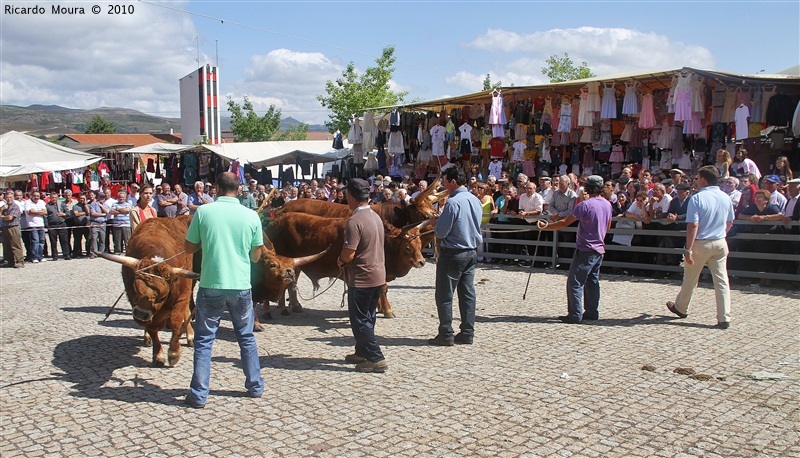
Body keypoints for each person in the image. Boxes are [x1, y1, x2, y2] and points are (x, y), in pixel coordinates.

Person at [184, 172, 265, 408]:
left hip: (211, 283)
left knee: (204, 340)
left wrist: (205, 241)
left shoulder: (204, 212)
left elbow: (188, 248)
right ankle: (254, 385)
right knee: (246, 337)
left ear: (216, 188)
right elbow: (256, 255)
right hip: (240, 285)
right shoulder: (250, 215)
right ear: (239, 189)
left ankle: (199, 394)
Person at [666, 165, 735, 329]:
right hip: (720, 241)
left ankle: (681, 307)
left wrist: (688, 248)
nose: (695, 181)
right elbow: (730, 222)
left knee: (690, 278)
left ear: (703, 179)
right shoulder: (725, 197)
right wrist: (720, 233)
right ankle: (724, 316)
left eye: (697, 178)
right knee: (722, 281)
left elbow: (693, 225)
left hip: (701, 242)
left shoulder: (697, 198)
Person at [539, 175, 612, 324]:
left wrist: (546, 226)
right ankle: (592, 312)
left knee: (575, 282)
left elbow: (565, 222)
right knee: (592, 281)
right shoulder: (607, 204)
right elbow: (608, 226)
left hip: (585, 248)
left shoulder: (584, 205)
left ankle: (575, 314)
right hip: (599, 248)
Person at [337, 178, 388, 373]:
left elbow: (349, 253)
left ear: (350, 196)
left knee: (359, 320)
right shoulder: (375, 217)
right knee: (369, 316)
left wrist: (341, 260)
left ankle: (376, 357)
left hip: (362, 278)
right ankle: (362, 351)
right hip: (378, 275)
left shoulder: (354, 221)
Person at [428, 166, 483, 346]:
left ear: (452, 182)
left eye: (445, 182)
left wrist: (435, 223)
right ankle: (468, 332)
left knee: (444, 294)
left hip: (453, 252)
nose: (444, 186)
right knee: (467, 293)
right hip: (471, 251)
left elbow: (442, 232)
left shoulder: (453, 202)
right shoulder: (475, 200)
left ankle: (446, 333)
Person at [2, 191, 25, 268]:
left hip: (13, 227)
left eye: (10, 197)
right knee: (6, 246)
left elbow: (10, 217)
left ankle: (20, 261)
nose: (9, 199)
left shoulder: (15, 206)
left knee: (15, 245)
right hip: (5, 228)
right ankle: (10, 261)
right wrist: (1, 210)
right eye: (7, 197)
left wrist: (2, 217)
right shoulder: (4, 207)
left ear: (13, 198)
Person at [45, 191, 71, 260]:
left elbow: (68, 213)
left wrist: (63, 214)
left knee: (64, 241)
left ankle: (66, 254)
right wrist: (47, 226)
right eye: (52, 197)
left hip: (62, 224)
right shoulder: (47, 206)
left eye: (55, 197)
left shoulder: (62, 204)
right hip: (52, 225)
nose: (54, 199)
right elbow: (46, 216)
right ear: (50, 198)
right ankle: (55, 256)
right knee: (53, 242)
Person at [24, 190, 47, 263]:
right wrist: (39, 212)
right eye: (35, 196)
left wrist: (35, 212)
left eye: (38, 196)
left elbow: (45, 212)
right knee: (35, 241)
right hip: (32, 224)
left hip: (41, 224)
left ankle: (40, 255)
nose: (36, 197)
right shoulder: (27, 202)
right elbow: (29, 212)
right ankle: (34, 256)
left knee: (42, 241)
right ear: (31, 196)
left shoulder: (41, 202)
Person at [110, 189, 132, 254]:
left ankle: (129, 252)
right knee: (117, 240)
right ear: (118, 197)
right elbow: (112, 212)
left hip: (126, 225)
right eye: (120, 197)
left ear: (125, 198)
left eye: (123, 197)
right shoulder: (114, 204)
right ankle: (118, 251)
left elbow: (127, 210)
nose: (121, 199)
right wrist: (122, 211)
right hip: (117, 225)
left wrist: (119, 209)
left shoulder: (128, 204)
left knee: (127, 240)